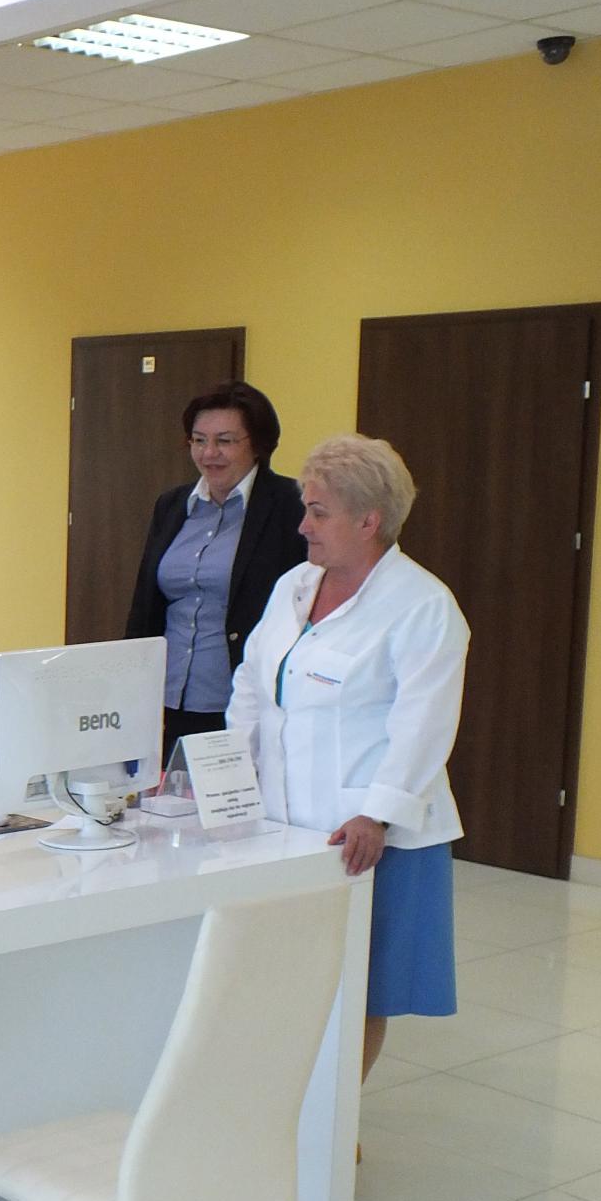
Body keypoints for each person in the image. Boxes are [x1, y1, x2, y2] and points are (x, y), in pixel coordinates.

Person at [227, 433, 469, 1080]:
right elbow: (252, 684)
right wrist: (227, 771)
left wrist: (377, 814)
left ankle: (334, 1121)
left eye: (318, 512)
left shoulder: (423, 606)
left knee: (359, 987)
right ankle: (284, 1105)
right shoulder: (294, 586)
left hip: (367, 835)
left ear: (369, 521)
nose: (302, 526)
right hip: (281, 825)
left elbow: (423, 724)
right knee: (282, 974)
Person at [126, 381, 309, 762]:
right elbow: (146, 604)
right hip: (167, 695)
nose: (209, 453)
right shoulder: (172, 505)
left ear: (258, 444)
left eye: (225, 441)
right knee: (168, 793)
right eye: (198, 440)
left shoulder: (291, 504)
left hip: (242, 699)